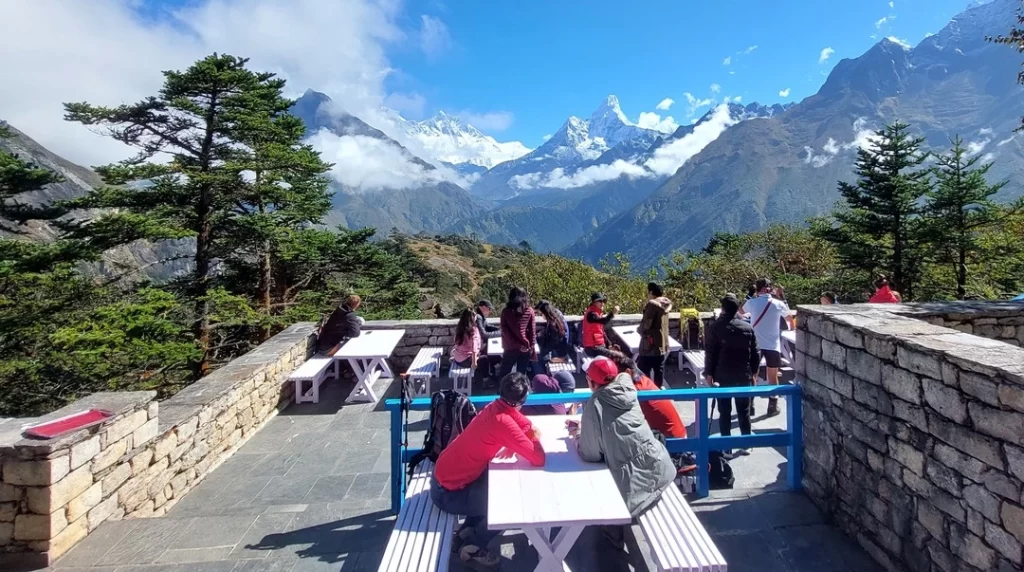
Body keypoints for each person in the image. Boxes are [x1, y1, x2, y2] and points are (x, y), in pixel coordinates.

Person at [433, 373, 546, 569]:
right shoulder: (502, 421)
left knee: (497, 485)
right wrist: (533, 437)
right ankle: (472, 544)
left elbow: (524, 424)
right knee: (511, 507)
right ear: (522, 400)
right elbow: (538, 458)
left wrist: (516, 441)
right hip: (449, 494)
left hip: (444, 479)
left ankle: (466, 531)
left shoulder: (495, 407)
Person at [569, 358, 675, 546]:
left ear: (592, 382)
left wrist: (577, 433)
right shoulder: (627, 389)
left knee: (602, 477)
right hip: (660, 467)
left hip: (634, 488)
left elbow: (589, 453)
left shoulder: (595, 404)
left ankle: (613, 530)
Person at [704, 294, 760, 453]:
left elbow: (711, 352)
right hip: (744, 374)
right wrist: (754, 373)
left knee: (724, 411)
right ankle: (746, 443)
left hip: (722, 375)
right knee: (744, 410)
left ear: (722, 309)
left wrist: (709, 373)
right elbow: (755, 353)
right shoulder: (747, 328)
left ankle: (726, 446)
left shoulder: (716, 327)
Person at [740, 278, 789, 417]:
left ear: (757, 289)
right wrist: (781, 297)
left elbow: (741, 311)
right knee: (772, 376)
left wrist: (749, 295)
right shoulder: (778, 304)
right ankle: (772, 406)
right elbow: (789, 318)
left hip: (756, 344)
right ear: (769, 288)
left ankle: (750, 405)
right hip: (773, 345)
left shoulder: (752, 302)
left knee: (753, 374)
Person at [637, 282, 672, 388]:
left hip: (650, 345)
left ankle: (647, 393)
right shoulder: (665, 304)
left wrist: (639, 330)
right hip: (662, 344)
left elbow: (646, 324)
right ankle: (658, 392)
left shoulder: (652, 305)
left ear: (651, 292)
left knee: (643, 370)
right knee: (659, 370)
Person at [499, 287, 537, 378]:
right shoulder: (529, 311)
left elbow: (505, 331)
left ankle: (502, 391)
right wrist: (530, 347)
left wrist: (518, 345)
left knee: (504, 373)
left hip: (510, 347)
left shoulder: (505, 312)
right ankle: (520, 391)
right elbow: (532, 331)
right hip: (525, 347)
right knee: (521, 374)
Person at [535, 300, 571, 371]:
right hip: (563, 346)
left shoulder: (553, 324)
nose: (541, 315)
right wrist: (539, 335)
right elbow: (549, 332)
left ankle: (541, 376)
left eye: (541, 313)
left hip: (559, 351)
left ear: (545, 312)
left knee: (537, 357)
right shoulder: (556, 314)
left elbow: (552, 343)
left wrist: (541, 351)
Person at [582, 293, 619, 358]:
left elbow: (601, 332)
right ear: (594, 302)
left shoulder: (598, 313)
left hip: (598, 346)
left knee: (617, 350)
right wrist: (612, 314)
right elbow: (603, 321)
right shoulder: (591, 314)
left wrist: (609, 344)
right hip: (592, 348)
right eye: (600, 301)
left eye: (603, 301)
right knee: (616, 356)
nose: (602, 303)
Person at [474, 300, 501, 384]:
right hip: (478, 346)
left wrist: (499, 329)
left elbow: (487, 326)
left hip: (481, 343)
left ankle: (494, 373)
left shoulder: (481, 316)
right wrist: (500, 333)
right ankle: (489, 378)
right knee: (493, 356)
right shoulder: (478, 317)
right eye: (489, 309)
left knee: (496, 356)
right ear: (483, 307)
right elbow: (484, 334)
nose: (490, 311)